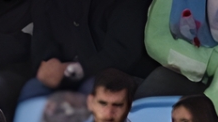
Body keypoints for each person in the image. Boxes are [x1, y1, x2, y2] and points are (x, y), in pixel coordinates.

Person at [25, 0, 155, 100]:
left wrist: (72, 72)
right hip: (67, 73)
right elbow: (42, 35)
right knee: (32, 93)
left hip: (120, 76)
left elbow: (122, 54)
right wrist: (49, 62)